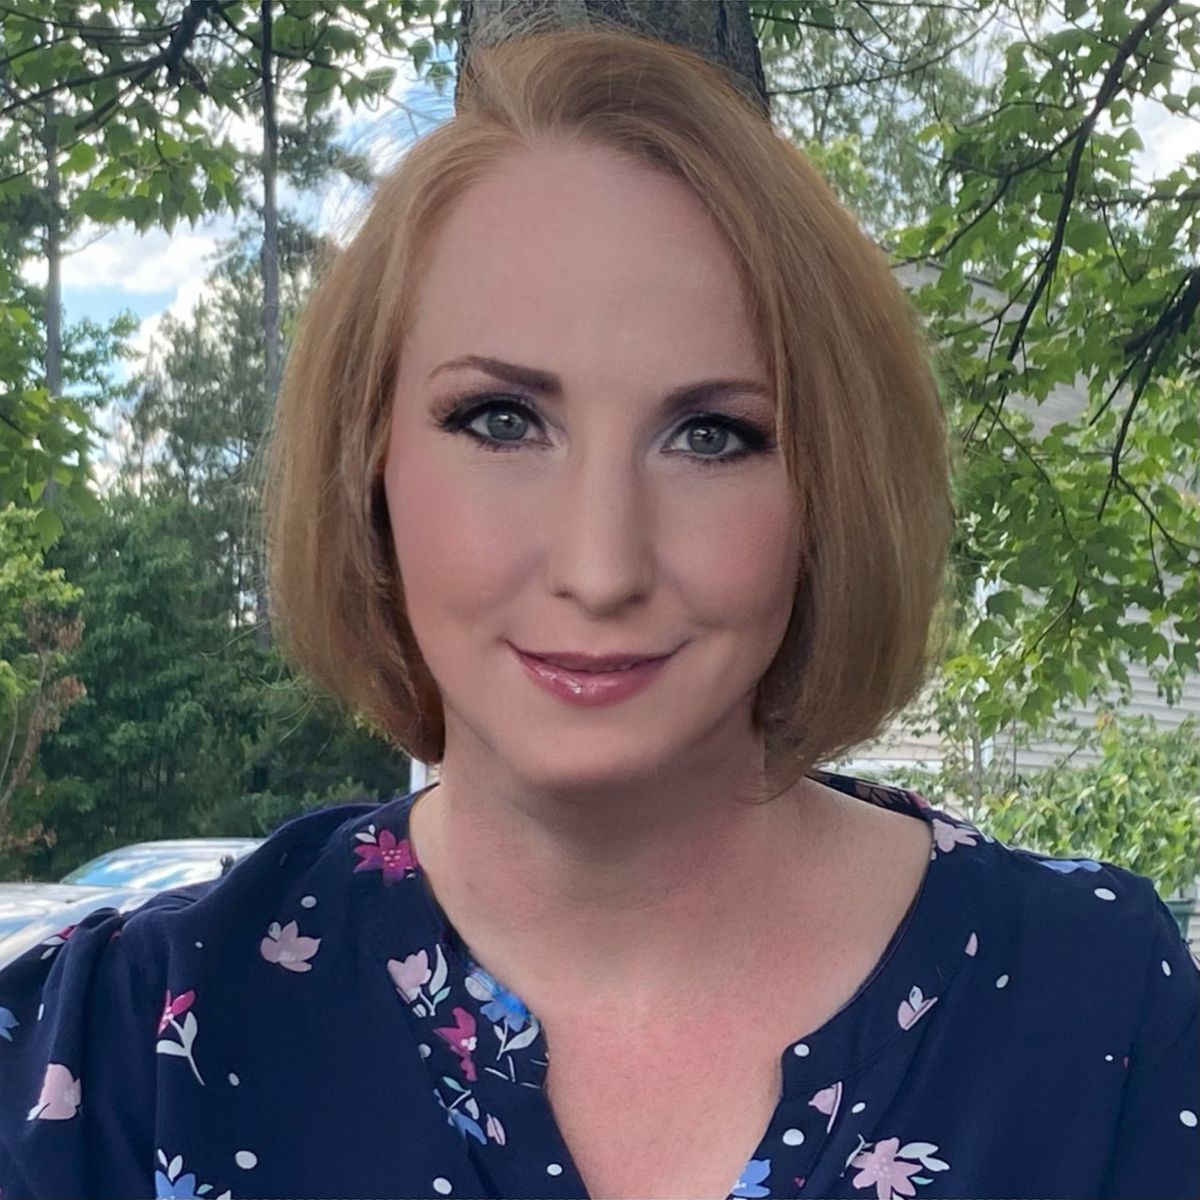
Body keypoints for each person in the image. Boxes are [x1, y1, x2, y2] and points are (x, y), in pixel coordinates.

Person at [0, 24, 1196, 1200]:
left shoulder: (1097, 1006)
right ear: (367, 461)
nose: (602, 563)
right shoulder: (114, 1053)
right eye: (502, 422)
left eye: (713, 435)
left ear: (829, 494)